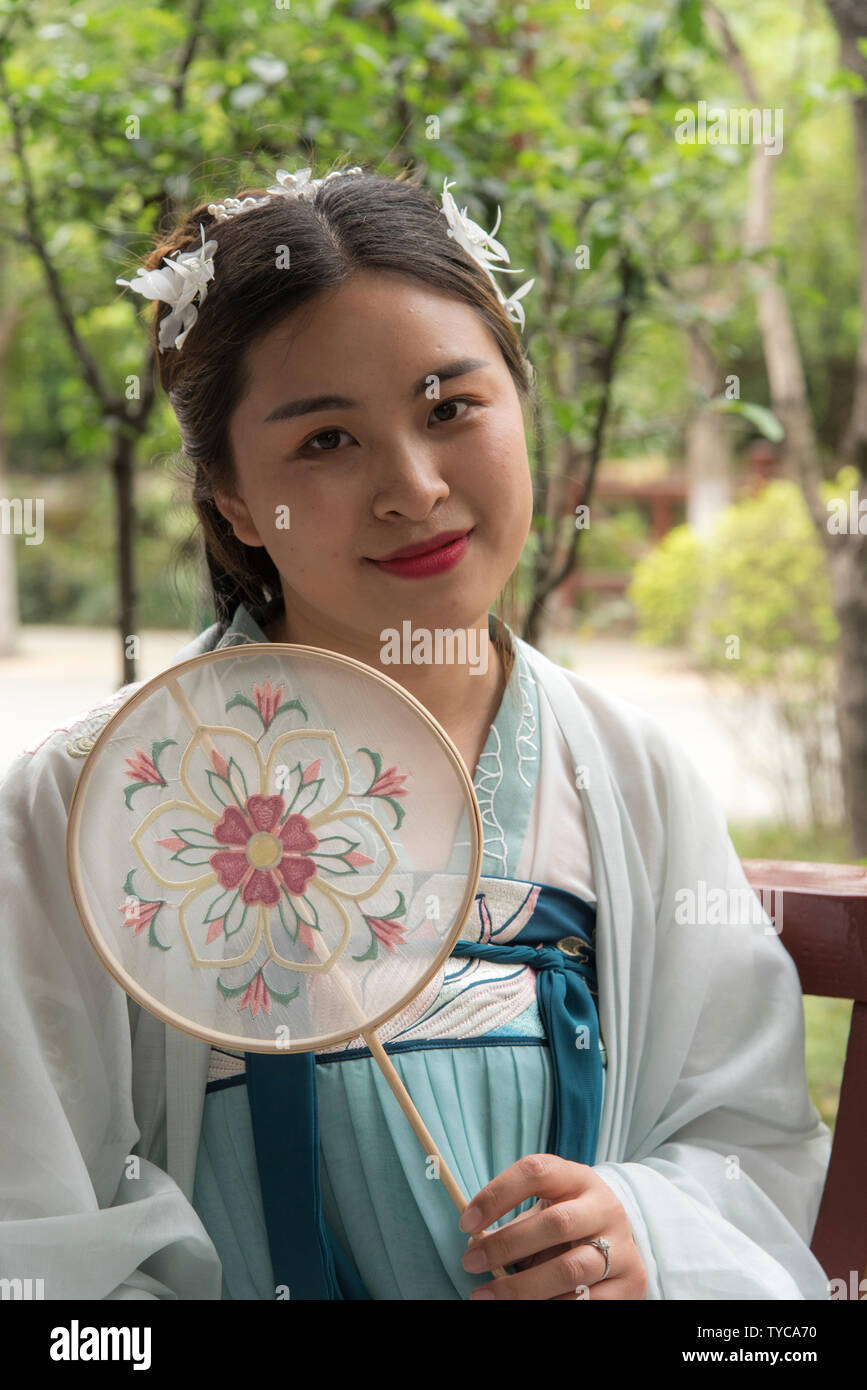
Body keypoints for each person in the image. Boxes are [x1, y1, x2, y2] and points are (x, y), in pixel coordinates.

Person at [0, 160, 831, 1301]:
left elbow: (749, 1144)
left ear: (520, 401)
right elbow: (33, 1235)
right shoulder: (87, 803)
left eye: (451, 409)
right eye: (326, 442)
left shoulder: (630, 779)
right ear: (233, 497)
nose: (415, 486)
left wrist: (639, 1232)